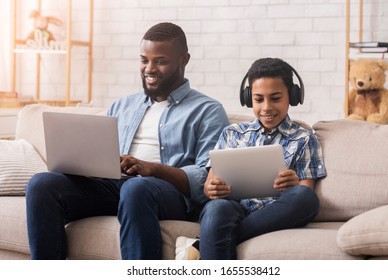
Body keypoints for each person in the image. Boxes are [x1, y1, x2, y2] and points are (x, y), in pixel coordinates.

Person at [25, 22, 229, 260]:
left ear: (184, 60)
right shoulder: (122, 105)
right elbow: (103, 155)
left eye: (160, 61)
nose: (149, 69)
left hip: (167, 194)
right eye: (144, 60)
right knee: (42, 184)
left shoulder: (208, 110)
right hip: (116, 186)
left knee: (136, 187)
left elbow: (206, 178)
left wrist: (152, 169)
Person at [187, 57, 326, 259]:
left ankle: (205, 243)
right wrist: (212, 189)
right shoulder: (231, 133)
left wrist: (294, 184)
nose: (267, 107)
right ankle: (218, 237)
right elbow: (210, 185)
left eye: (276, 98)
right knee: (216, 207)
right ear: (248, 98)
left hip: (274, 212)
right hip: (233, 208)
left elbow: (305, 190)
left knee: (306, 198)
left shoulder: (304, 138)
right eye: (259, 99)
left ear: (292, 96)